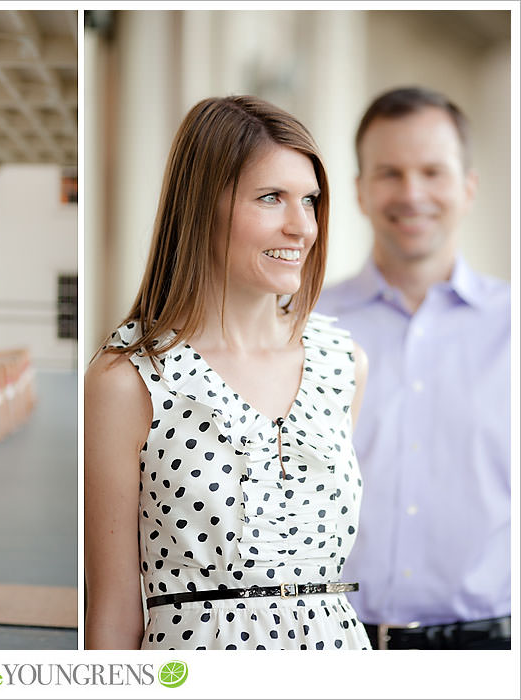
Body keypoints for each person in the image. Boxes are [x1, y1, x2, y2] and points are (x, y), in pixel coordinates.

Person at [85, 95, 371, 650]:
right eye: (271, 198)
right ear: (200, 206)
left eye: (310, 200)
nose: (302, 227)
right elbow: (115, 613)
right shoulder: (130, 379)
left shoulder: (344, 364)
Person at [316, 87, 510, 650]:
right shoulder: (305, 326)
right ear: (358, 191)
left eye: (432, 171)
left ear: (468, 186)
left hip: (485, 655)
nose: (412, 193)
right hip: (333, 646)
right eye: (390, 173)